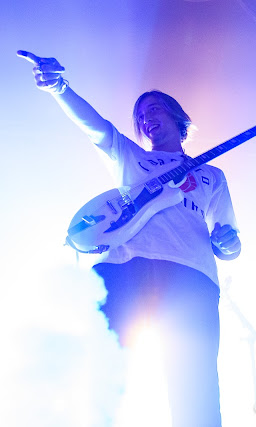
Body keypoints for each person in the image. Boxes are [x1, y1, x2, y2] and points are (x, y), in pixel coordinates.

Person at [18, 50, 241, 427]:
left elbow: (229, 241)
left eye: (154, 110)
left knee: (195, 384)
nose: (146, 119)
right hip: (124, 265)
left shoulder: (212, 176)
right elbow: (96, 127)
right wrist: (59, 87)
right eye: (140, 116)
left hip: (191, 275)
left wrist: (227, 243)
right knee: (102, 370)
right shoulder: (131, 157)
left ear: (177, 117)